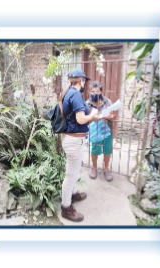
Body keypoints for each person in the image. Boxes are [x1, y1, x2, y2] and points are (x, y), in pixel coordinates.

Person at [57, 68, 114, 222]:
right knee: (70, 176)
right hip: (74, 140)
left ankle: (73, 194)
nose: (84, 84)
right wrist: (93, 115)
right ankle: (66, 207)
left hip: (74, 139)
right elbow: (82, 119)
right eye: (84, 81)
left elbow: (79, 119)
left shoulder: (69, 93)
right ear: (81, 80)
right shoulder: (75, 94)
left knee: (74, 172)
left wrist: (94, 117)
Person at [86, 81, 118, 182]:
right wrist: (95, 117)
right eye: (93, 91)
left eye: (97, 91)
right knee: (94, 150)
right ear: (90, 92)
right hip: (95, 131)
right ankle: (94, 168)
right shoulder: (88, 103)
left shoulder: (107, 102)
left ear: (101, 92)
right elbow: (85, 118)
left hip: (107, 130)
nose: (95, 93)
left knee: (107, 150)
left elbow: (114, 116)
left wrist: (109, 116)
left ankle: (106, 169)